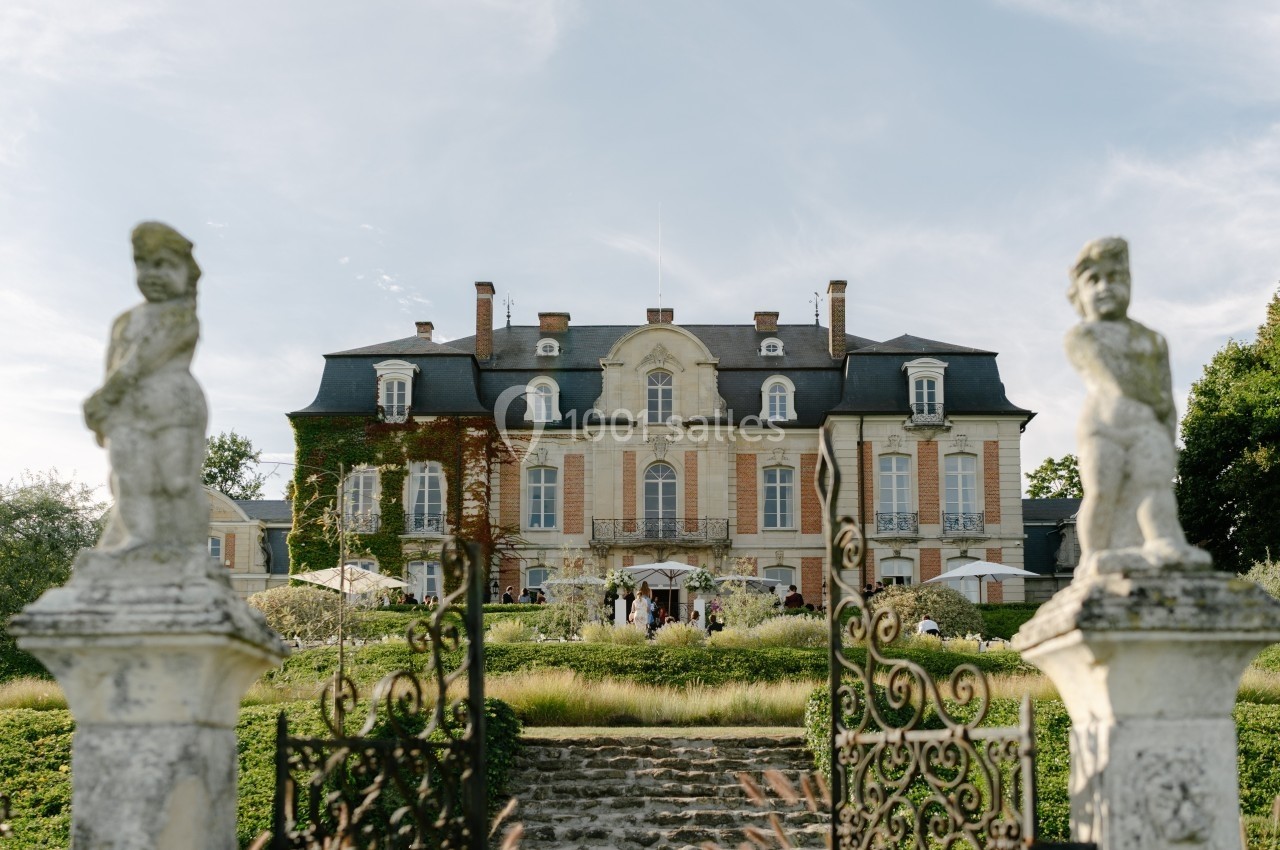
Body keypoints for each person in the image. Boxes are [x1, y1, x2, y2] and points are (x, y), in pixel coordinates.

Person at [1065, 237, 1210, 576]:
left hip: (1147, 426)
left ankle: (1162, 541)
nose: (1105, 287)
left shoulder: (1153, 339)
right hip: (1103, 427)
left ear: (1129, 282)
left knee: (1155, 485)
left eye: (1115, 277)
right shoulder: (1082, 336)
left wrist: (1168, 438)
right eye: (1094, 280)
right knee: (1102, 491)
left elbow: (1167, 396)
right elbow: (1113, 378)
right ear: (1079, 294)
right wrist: (1153, 399)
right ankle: (1095, 554)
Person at [83, 222, 208, 552]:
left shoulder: (181, 316)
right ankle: (137, 537)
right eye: (144, 264)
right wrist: (104, 412)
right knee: (129, 476)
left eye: (164, 264)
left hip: (175, 409)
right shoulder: (124, 321)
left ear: (187, 272)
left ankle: (188, 548)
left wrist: (103, 399)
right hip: (128, 412)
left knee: (176, 480)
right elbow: (112, 366)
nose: (153, 274)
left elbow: (142, 360)